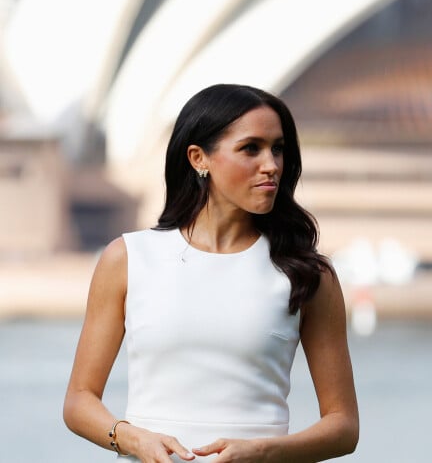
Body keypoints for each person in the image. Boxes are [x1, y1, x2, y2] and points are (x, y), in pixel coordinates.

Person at [63, 83, 359, 462]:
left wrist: (264, 450)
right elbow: (78, 401)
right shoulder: (128, 258)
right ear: (198, 158)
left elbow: (344, 426)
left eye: (278, 148)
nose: (271, 164)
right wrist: (134, 440)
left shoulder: (306, 273)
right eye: (250, 148)